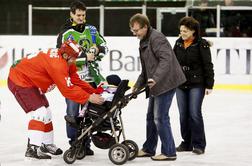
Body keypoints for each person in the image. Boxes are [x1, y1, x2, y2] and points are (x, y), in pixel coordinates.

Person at [7, 40, 104, 159]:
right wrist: (88, 97)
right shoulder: (57, 64)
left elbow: (75, 80)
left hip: (29, 79)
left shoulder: (68, 59)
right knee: (39, 112)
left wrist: (93, 91)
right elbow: (67, 90)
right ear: (65, 55)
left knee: (47, 112)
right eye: (74, 58)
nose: (75, 60)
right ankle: (32, 148)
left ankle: (46, 144)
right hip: (20, 79)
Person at [129, 13, 186, 161]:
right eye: (132, 30)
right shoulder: (143, 41)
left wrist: (156, 78)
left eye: (136, 30)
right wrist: (137, 85)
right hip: (155, 82)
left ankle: (169, 152)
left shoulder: (157, 38)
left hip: (166, 81)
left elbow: (166, 59)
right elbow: (146, 69)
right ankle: (149, 148)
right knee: (150, 117)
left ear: (145, 27)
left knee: (160, 117)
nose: (134, 34)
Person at [56, 0, 108, 155]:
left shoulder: (92, 30)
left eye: (83, 15)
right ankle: (74, 144)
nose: (81, 18)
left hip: (91, 80)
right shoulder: (66, 33)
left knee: (89, 113)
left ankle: (86, 143)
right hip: (73, 81)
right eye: (78, 15)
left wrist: (97, 49)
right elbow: (61, 58)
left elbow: (105, 47)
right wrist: (85, 57)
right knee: (73, 114)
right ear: (71, 14)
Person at [173, 16, 214, 155]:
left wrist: (209, 85)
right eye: (181, 31)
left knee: (194, 113)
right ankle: (187, 143)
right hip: (181, 83)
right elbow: (172, 62)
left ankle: (199, 144)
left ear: (193, 31)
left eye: (185, 31)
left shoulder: (201, 44)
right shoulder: (178, 43)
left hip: (197, 84)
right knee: (183, 115)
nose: (182, 34)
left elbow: (208, 65)